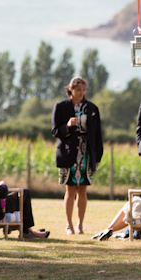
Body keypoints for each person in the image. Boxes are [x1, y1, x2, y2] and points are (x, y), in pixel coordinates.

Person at [52, 76, 103, 235]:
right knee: (70, 189)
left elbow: (98, 135)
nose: (81, 93)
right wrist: (67, 125)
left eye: (83, 90)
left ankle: (80, 225)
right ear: (71, 90)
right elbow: (55, 131)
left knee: (83, 190)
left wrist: (98, 157)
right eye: (78, 90)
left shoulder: (92, 108)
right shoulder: (60, 107)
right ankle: (69, 226)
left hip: (87, 153)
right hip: (68, 153)